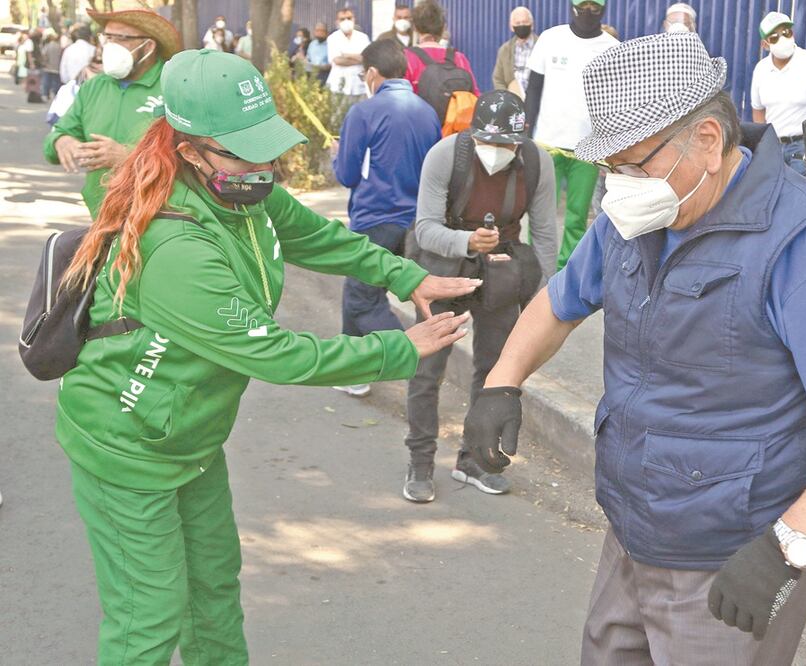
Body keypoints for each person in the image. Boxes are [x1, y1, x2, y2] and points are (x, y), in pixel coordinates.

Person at [462, 33, 806, 664]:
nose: (617, 186)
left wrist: (790, 543)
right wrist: (501, 381)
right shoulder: (636, 217)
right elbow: (560, 300)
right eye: (610, 168)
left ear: (708, 141)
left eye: (633, 165)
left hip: (728, 560)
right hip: (633, 531)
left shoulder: (801, 242)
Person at [53, 48, 477, 664]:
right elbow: (276, 355)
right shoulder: (176, 247)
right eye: (246, 150)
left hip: (188, 436)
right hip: (127, 444)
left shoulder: (241, 192)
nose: (266, 165)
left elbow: (314, 234)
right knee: (148, 619)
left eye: (267, 145)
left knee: (214, 595)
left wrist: (405, 276)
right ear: (190, 150)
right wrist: (394, 349)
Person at [404, 90, 558, 502]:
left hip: (502, 269)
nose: (495, 152)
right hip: (444, 266)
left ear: (519, 141)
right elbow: (425, 229)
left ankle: (473, 460)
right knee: (426, 368)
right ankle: (420, 460)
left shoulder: (537, 163)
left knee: (492, 370)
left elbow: (544, 236)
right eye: (487, 143)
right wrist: (468, 240)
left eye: (505, 145)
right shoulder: (444, 156)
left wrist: (546, 298)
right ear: (473, 135)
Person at [332, 40, 443, 399]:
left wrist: (337, 155)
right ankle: (353, 373)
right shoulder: (426, 111)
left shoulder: (364, 113)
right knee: (359, 293)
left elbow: (348, 175)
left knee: (363, 297)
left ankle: (414, 357)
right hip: (415, 222)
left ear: (372, 73)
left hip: (374, 217)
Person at [43, 9, 178, 218]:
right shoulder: (94, 87)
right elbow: (55, 138)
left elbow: (192, 157)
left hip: (160, 218)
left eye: (121, 38)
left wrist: (128, 157)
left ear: (148, 46)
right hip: (101, 219)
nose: (110, 46)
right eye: (107, 37)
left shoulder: (174, 87)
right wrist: (61, 141)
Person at [526, 0, 619, 269]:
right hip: (546, 144)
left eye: (594, 6)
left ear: (603, 9)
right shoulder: (550, 38)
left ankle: (568, 272)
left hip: (587, 149)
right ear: (572, 6)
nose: (588, 11)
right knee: (541, 214)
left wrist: (610, 146)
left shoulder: (611, 48)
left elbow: (613, 102)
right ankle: (537, 266)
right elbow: (533, 88)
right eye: (582, 5)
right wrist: (525, 133)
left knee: (578, 217)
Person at [751, 12, 806, 176]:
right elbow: (758, 110)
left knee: (798, 196)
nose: (783, 39)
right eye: (774, 37)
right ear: (765, 45)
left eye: (786, 33)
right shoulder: (761, 70)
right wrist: (764, 143)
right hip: (774, 146)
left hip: (805, 146)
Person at [404, 0, 480, 96]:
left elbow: (400, 99)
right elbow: (474, 95)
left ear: (414, 27)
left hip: (417, 111)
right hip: (452, 111)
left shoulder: (406, 58)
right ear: (443, 27)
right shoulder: (459, 58)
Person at [327, 8, 371, 101]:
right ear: (337, 22)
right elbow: (337, 60)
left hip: (359, 86)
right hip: (338, 87)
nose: (346, 21)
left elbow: (367, 58)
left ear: (354, 19)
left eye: (349, 18)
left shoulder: (363, 38)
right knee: (338, 115)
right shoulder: (333, 38)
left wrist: (346, 55)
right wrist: (358, 58)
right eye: (342, 19)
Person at [492, 6, 536, 98]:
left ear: (532, 25)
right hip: (514, 103)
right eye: (518, 23)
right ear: (512, 27)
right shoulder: (504, 50)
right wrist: (506, 98)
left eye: (524, 22)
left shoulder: (543, 46)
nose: (521, 25)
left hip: (537, 103)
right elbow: (498, 79)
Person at [39, 32, 62, 100]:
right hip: (57, 67)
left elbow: (43, 55)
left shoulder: (48, 46)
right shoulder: (59, 47)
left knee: (46, 81)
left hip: (48, 66)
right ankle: (55, 94)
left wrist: (45, 62)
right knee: (56, 81)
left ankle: (45, 94)